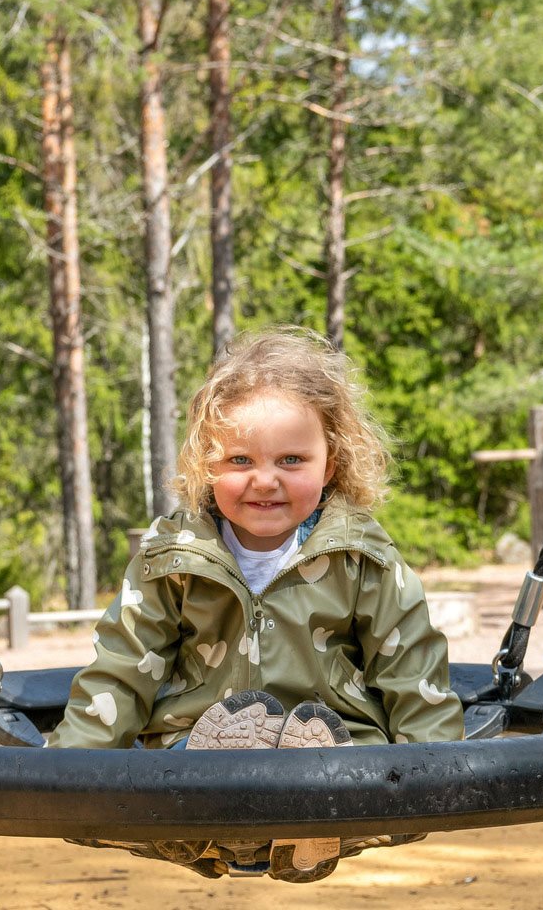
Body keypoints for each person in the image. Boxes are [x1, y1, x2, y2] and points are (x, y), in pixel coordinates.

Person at [46, 327, 463, 878]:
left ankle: (300, 830)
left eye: (291, 460)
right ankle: (196, 826)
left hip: (335, 745)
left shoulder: (362, 556)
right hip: (195, 745)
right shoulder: (172, 557)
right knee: (185, 764)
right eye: (239, 459)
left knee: (330, 759)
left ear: (329, 464)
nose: (264, 481)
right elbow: (124, 667)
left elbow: (410, 665)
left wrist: (437, 772)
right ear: (207, 466)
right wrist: (67, 774)